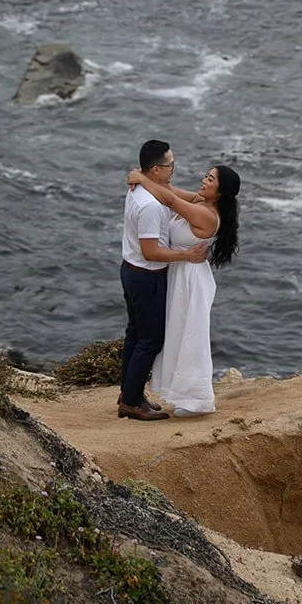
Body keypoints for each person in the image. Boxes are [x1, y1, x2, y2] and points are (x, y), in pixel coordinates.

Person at [125, 159, 240, 417]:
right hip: (179, 273)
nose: (204, 180)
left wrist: (142, 179)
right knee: (177, 333)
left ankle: (196, 400)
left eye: (210, 179)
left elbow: (169, 200)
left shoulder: (207, 215)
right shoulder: (200, 201)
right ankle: (178, 394)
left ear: (220, 192)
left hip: (190, 279)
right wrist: (143, 175)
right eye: (206, 176)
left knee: (191, 336)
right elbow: (170, 190)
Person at [119, 139, 210, 422]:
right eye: (171, 165)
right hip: (146, 276)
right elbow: (151, 251)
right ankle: (131, 403)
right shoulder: (151, 205)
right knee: (150, 340)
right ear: (156, 170)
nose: (174, 169)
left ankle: (129, 393)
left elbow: (174, 196)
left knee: (135, 335)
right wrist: (187, 256)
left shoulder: (143, 189)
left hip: (132, 271)